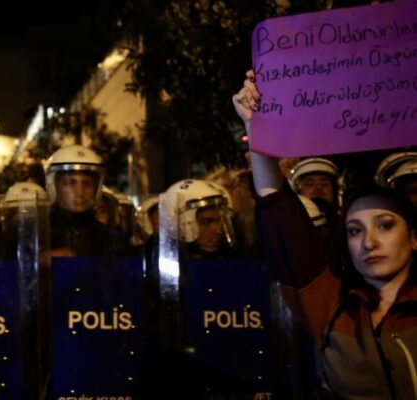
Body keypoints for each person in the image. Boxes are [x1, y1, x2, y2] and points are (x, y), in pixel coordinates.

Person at [234, 69, 417, 399]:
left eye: (385, 225)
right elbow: (280, 212)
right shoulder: (331, 307)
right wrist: (256, 129)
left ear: (414, 237)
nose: (369, 242)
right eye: (354, 230)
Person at [43, 144, 121, 258]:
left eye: (87, 184)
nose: (80, 192)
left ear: (96, 188)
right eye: (70, 183)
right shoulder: (40, 232)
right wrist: (40, 261)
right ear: (55, 187)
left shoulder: (106, 236)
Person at [162, 179, 238, 260]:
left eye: (220, 221)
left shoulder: (231, 260)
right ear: (181, 224)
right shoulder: (169, 266)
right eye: (206, 222)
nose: (217, 231)